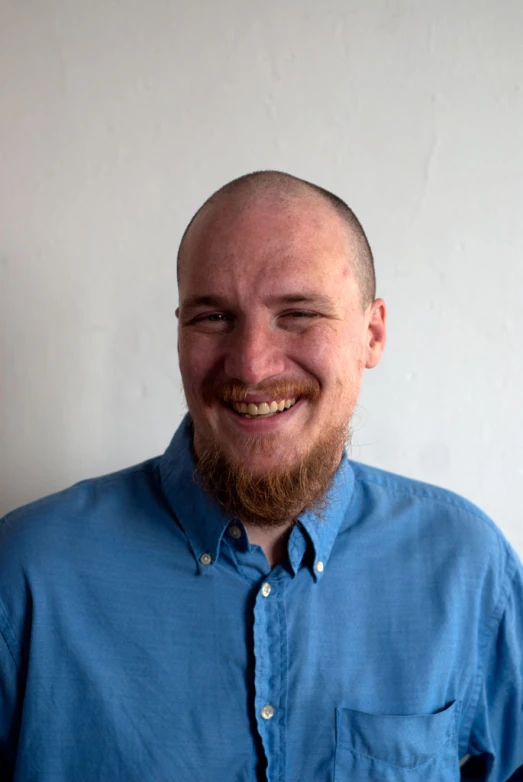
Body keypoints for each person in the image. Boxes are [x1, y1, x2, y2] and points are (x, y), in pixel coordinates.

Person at [0, 170, 521, 782]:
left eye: (298, 314)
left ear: (371, 334)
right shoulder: (27, 573)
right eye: (213, 317)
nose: (250, 364)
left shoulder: (466, 565)